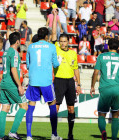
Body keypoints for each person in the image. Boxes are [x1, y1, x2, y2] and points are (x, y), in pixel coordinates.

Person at [90, 38, 119, 140]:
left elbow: (95, 73)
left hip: (105, 89)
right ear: (118, 47)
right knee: (115, 116)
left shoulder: (101, 56)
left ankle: (103, 131)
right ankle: (113, 138)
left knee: (101, 115)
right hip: (117, 89)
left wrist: (92, 86)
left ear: (108, 46)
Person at [25, 27, 62, 140]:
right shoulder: (51, 46)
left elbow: (27, 65)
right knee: (52, 105)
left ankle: (29, 135)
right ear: (47, 36)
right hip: (46, 81)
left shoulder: (31, 46)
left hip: (34, 80)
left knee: (31, 107)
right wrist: (59, 60)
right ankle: (54, 134)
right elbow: (55, 65)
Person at [52, 8, 81, 140]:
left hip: (70, 82)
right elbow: (53, 33)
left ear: (68, 42)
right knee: (56, 108)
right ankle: (54, 133)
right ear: (59, 42)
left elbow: (76, 69)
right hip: (58, 81)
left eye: (65, 41)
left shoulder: (73, 53)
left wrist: (79, 84)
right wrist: (55, 17)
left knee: (71, 109)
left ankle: (70, 133)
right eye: (61, 41)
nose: (63, 43)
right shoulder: (56, 48)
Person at [0, 32, 28, 140]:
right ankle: (13, 132)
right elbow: (13, 69)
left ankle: (1, 136)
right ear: (18, 41)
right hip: (11, 84)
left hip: (4, 83)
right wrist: (19, 86)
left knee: (4, 108)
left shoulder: (5, 52)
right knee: (24, 106)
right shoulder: (14, 53)